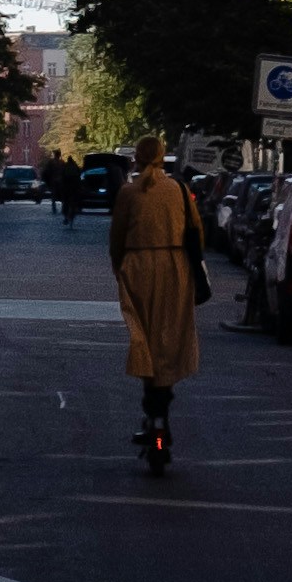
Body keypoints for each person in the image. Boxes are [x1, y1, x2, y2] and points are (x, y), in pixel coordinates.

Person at [108, 129, 206, 474]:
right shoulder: (178, 189)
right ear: (162, 156)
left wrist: (121, 270)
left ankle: (153, 413)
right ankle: (161, 412)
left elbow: (117, 238)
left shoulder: (129, 192)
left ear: (136, 158)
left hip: (138, 268)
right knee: (168, 342)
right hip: (174, 268)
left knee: (144, 340)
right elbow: (197, 232)